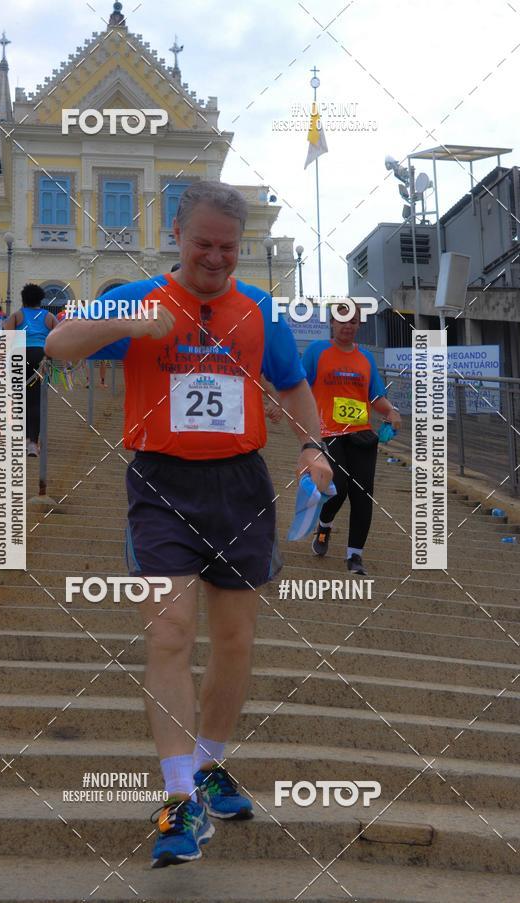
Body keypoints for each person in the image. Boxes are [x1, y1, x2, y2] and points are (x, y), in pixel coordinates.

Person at [46, 180, 333, 869]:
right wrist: (128, 325)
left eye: (228, 248)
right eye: (203, 243)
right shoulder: (139, 297)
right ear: (177, 235)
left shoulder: (259, 309)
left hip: (239, 484)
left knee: (234, 639)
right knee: (170, 631)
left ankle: (209, 764)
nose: (215, 258)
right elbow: (58, 344)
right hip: (160, 482)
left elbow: (291, 380)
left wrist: (314, 443)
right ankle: (178, 799)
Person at [302, 302, 401, 576]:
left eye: (354, 321)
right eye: (342, 320)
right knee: (339, 486)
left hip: (360, 433)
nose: (348, 325)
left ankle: (354, 555)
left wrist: (391, 411)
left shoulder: (366, 358)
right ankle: (324, 524)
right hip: (328, 433)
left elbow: (375, 396)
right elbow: (299, 385)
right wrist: (281, 405)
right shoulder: (316, 351)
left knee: (363, 494)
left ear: (359, 324)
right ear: (332, 323)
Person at [4, 283, 56, 457]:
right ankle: (33, 443)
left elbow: (6, 336)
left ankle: (24, 439)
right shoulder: (48, 316)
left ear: (23, 299)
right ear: (40, 299)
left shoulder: (18, 315)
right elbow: (60, 334)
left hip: (19, 354)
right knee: (36, 401)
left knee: (19, 399)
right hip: (40, 355)